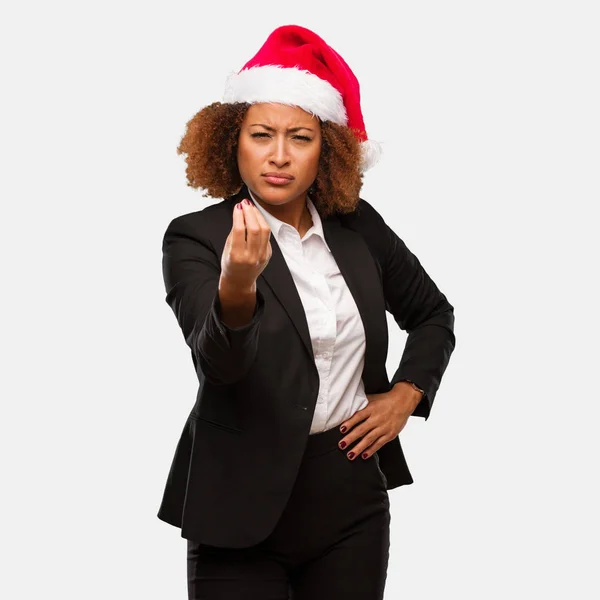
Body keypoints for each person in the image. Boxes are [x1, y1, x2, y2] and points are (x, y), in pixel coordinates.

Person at [156, 24, 456, 600]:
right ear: (231, 141)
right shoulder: (194, 238)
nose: (278, 156)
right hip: (238, 503)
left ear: (330, 149)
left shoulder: (358, 227)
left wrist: (407, 392)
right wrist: (237, 286)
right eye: (261, 134)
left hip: (348, 496)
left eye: (300, 137)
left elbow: (433, 314)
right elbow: (217, 363)